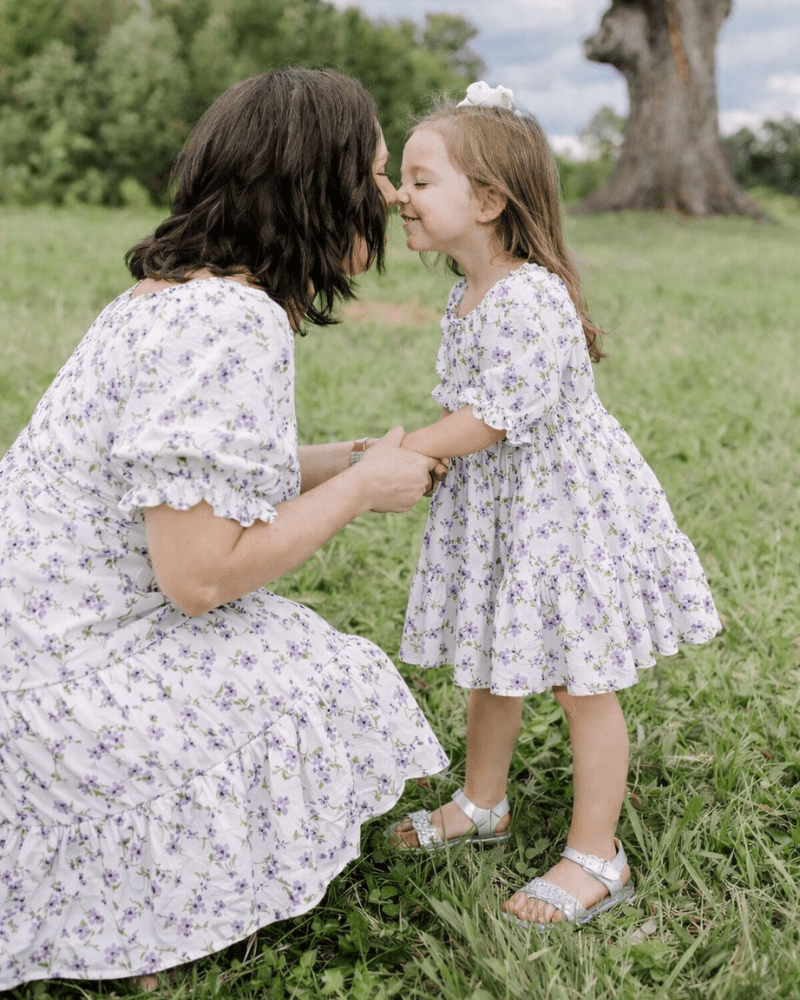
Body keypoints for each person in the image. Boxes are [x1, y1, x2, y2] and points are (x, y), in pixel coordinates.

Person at [0, 68, 449, 991]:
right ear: (315, 187)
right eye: (372, 172)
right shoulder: (231, 323)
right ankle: (140, 908)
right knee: (325, 679)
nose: (395, 194)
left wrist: (340, 457)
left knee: (297, 654)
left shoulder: (168, 297)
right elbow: (198, 575)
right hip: (59, 682)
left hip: (29, 643)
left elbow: (180, 483)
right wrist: (363, 489)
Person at [386, 82, 721, 928]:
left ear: (489, 200)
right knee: (491, 657)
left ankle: (597, 857)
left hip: (560, 515)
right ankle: (483, 802)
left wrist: (411, 449)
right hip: (503, 514)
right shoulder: (466, 292)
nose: (398, 194)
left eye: (420, 180)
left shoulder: (530, 295)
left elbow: (496, 417)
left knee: (581, 680)